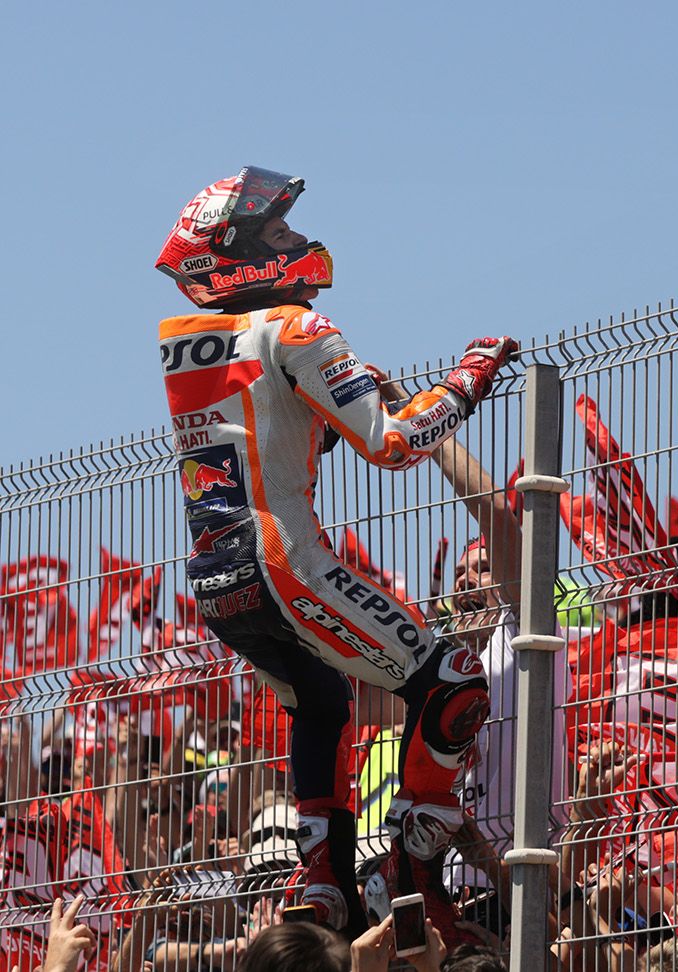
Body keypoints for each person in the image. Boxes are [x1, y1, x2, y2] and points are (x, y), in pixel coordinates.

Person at [153, 166, 520, 939]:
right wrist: (467, 379)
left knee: (321, 702)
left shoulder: (185, 346)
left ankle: (324, 886)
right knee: (454, 681)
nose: (298, 239)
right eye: (278, 230)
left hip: (215, 578)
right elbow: (392, 443)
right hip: (284, 560)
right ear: (239, 252)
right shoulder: (297, 327)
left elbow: (267, 433)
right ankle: (418, 880)